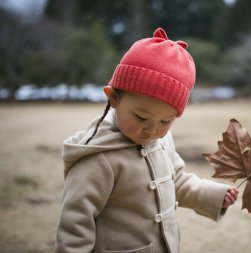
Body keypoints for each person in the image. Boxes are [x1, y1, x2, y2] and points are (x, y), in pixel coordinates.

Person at [55, 28, 239, 253]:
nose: (152, 129)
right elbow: (75, 224)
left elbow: (176, 180)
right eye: (141, 117)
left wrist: (213, 195)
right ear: (113, 98)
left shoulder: (162, 141)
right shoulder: (98, 157)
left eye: (166, 121)